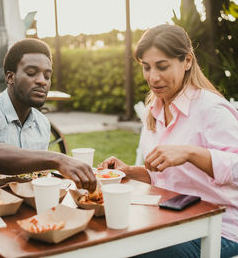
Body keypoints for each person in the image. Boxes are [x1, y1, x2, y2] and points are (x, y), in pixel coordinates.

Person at [99, 24, 238, 257]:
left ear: (187, 61)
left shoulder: (211, 109)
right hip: (173, 219)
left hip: (221, 229)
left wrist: (190, 153)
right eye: (146, 67)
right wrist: (129, 171)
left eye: (162, 66)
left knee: (132, 249)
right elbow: (166, 177)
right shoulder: (154, 111)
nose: (153, 77)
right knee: (110, 235)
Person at [0, 38, 96, 192]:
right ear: (10, 77)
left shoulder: (42, 123)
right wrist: (57, 159)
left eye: (47, 76)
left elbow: (35, 178)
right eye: (31, 73)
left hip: (16, 208)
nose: (42, 81)